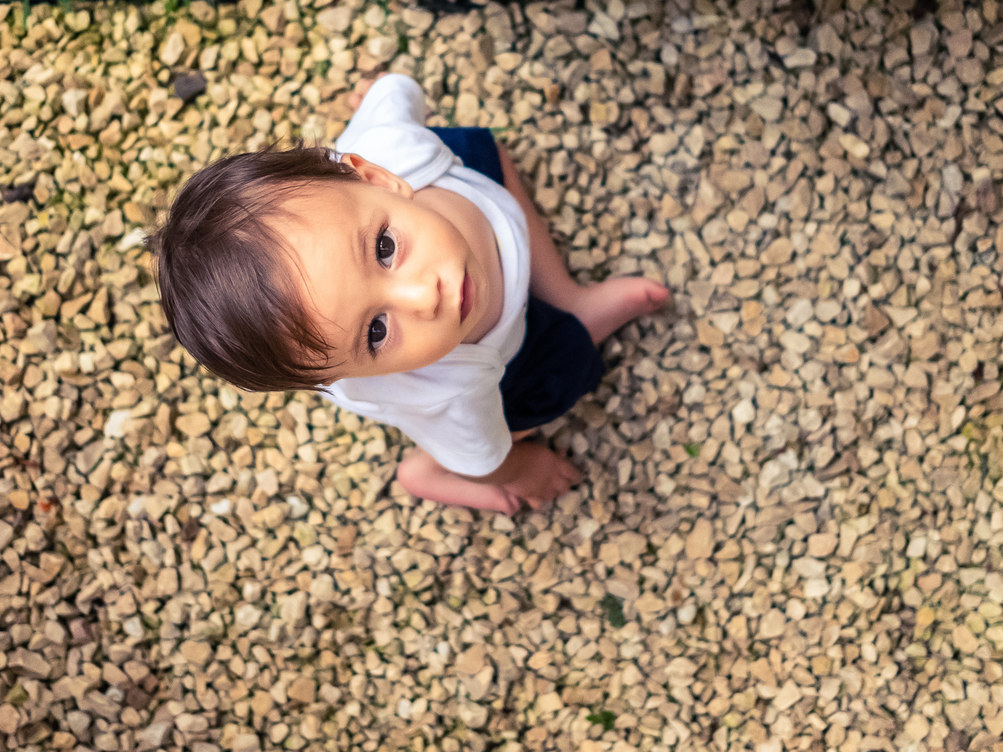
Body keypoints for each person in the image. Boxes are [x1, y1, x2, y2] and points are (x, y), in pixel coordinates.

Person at [151, 73, 669, 513]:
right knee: (557, 373)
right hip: (497, 354)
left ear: (376, 178)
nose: (425, 295)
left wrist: (382, 88)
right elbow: (486, 458)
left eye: (384, 248)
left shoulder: (393, 145)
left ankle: (565, 295)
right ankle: (426, 472)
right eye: (376, 331)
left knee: (479, 148)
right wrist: (519, 468)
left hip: (464, 200)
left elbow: (397, 90)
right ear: (346, 374)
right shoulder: (452, 386)